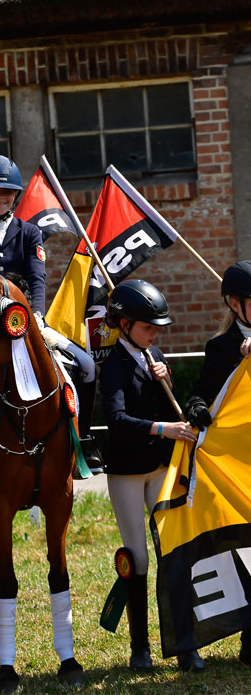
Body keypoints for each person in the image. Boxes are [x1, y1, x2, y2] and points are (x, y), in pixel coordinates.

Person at [0, 153, 102, 472]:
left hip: (26, 320)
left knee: (87, 365)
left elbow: (37, 276)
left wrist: (35, 313)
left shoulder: (29, 232)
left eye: (6, 192)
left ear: (15, 195)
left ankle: (83, 442)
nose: (0, 197)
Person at [99, 279, 204, 672]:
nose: (154, 334)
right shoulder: (112, 366)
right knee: (139, 556)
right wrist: (165, 429)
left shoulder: (153, 353)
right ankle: (139, 645)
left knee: (171, 551)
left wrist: (167, 379)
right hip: (127, 470)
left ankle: (183, 642)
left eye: (156, 328)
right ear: (124, 325)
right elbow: (116, 418)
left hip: (160, 466)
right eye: (148, 327)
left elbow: (169, 404)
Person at [185, 259, 251, 664]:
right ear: (234, 304)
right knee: (247, 548)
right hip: (240, 465)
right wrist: (197, 409)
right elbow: (202, 393)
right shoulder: (220, 347)